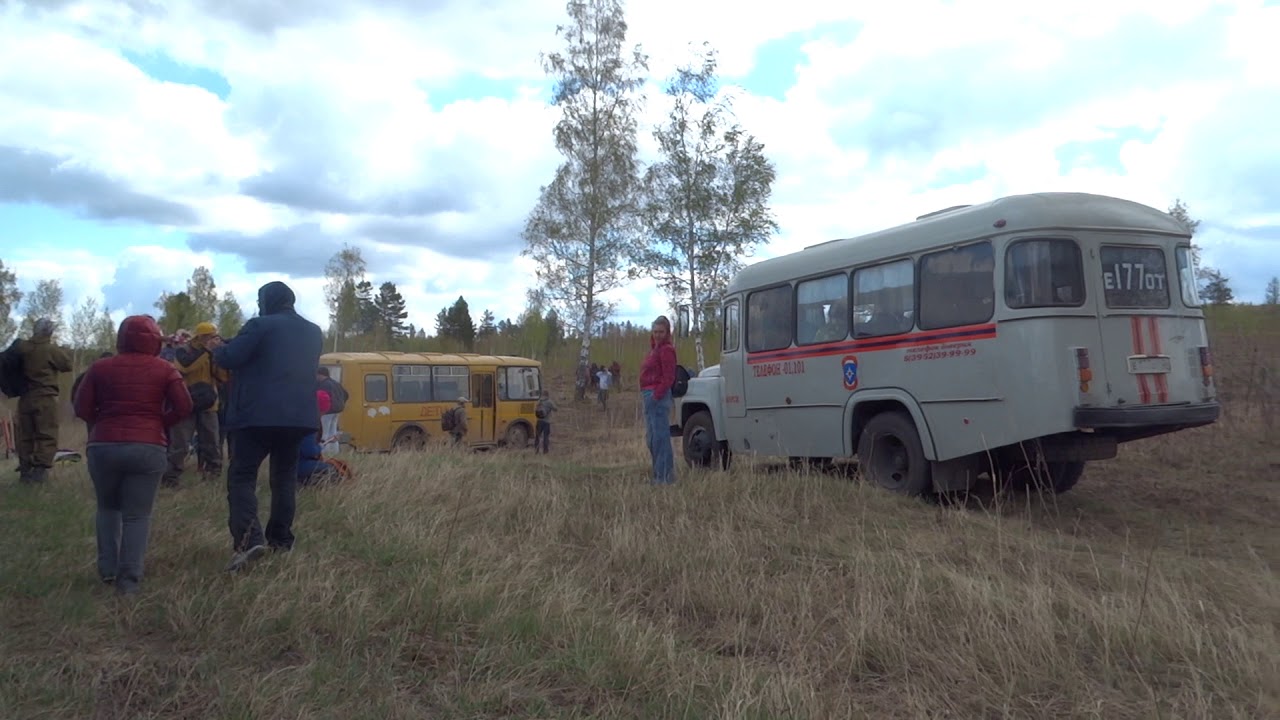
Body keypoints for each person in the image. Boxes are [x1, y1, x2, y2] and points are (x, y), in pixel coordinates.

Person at [73, 315, 193, 594]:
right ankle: (129, 581)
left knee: (107, 508)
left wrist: (102, 422)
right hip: (148, 445)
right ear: (154, 341)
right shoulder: (165, 369)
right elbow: (185, 406)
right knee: (137, 515)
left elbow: (81, 408)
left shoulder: (99, 368)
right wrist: (160, 423)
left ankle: (107, 570)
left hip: (103, 444)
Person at [210, 281, 324, 573]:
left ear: (266, 301)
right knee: (284, 479)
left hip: (256, 417)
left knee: (242, 476)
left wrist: (216, 347)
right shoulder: (313, 331)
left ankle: (249, 542)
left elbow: (231, 357)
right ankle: (281, 540)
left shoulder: (259, 325)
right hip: (298, 417)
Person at [163, 322, 229, 486]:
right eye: (209, 337)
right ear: (200, 337)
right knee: (180, 443)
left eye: (215, 336)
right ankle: (170, 477)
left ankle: (213, 474)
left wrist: (221, 357)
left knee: (212, 442)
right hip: (186, 402)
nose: (213, 340)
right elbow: (186, 367)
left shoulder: (213, 353)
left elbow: (223, 378)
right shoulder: (183, 351)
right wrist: (207, 351)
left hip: (208, 404)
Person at [14, 318, 73, 484]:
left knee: (25, 435)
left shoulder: (22, 348)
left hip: (25, 398)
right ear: (49, 332)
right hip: (45, 397)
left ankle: (25, 471)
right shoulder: (50, 349)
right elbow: (67, 365)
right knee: (46, 433)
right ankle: (39, 472)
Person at [638, 315, 678, 485]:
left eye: (661, 332)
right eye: (655, 331)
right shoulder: (654, 350)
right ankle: (659, 475)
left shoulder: (666, 350)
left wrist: (656, 396)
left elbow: (669, 377)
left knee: (660, 438)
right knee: (652, 439)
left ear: (667, 332)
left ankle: (665, 478)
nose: (657, 335)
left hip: (658, 397)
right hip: (649, 395)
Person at [315, 367, 348, 454]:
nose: (316, 377)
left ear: (321, 375)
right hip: (337, 410)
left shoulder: (324, 385)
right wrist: (341, 403)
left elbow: (320, 397)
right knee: (333, 432)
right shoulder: (336, 383)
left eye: (317, 375)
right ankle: (334, 451)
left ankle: (324, 451)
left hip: (327, 411)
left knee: (324, 432)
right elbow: (346, 394)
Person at [533, 389, 557, 454]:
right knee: (545, 437)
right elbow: (555, 409)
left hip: (539, 421)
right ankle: (545, 451)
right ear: (548, 395)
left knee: (537, 436)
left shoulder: (539, 401)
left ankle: (536, 450)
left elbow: (535, 409)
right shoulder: (549, 402)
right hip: (546, 422)